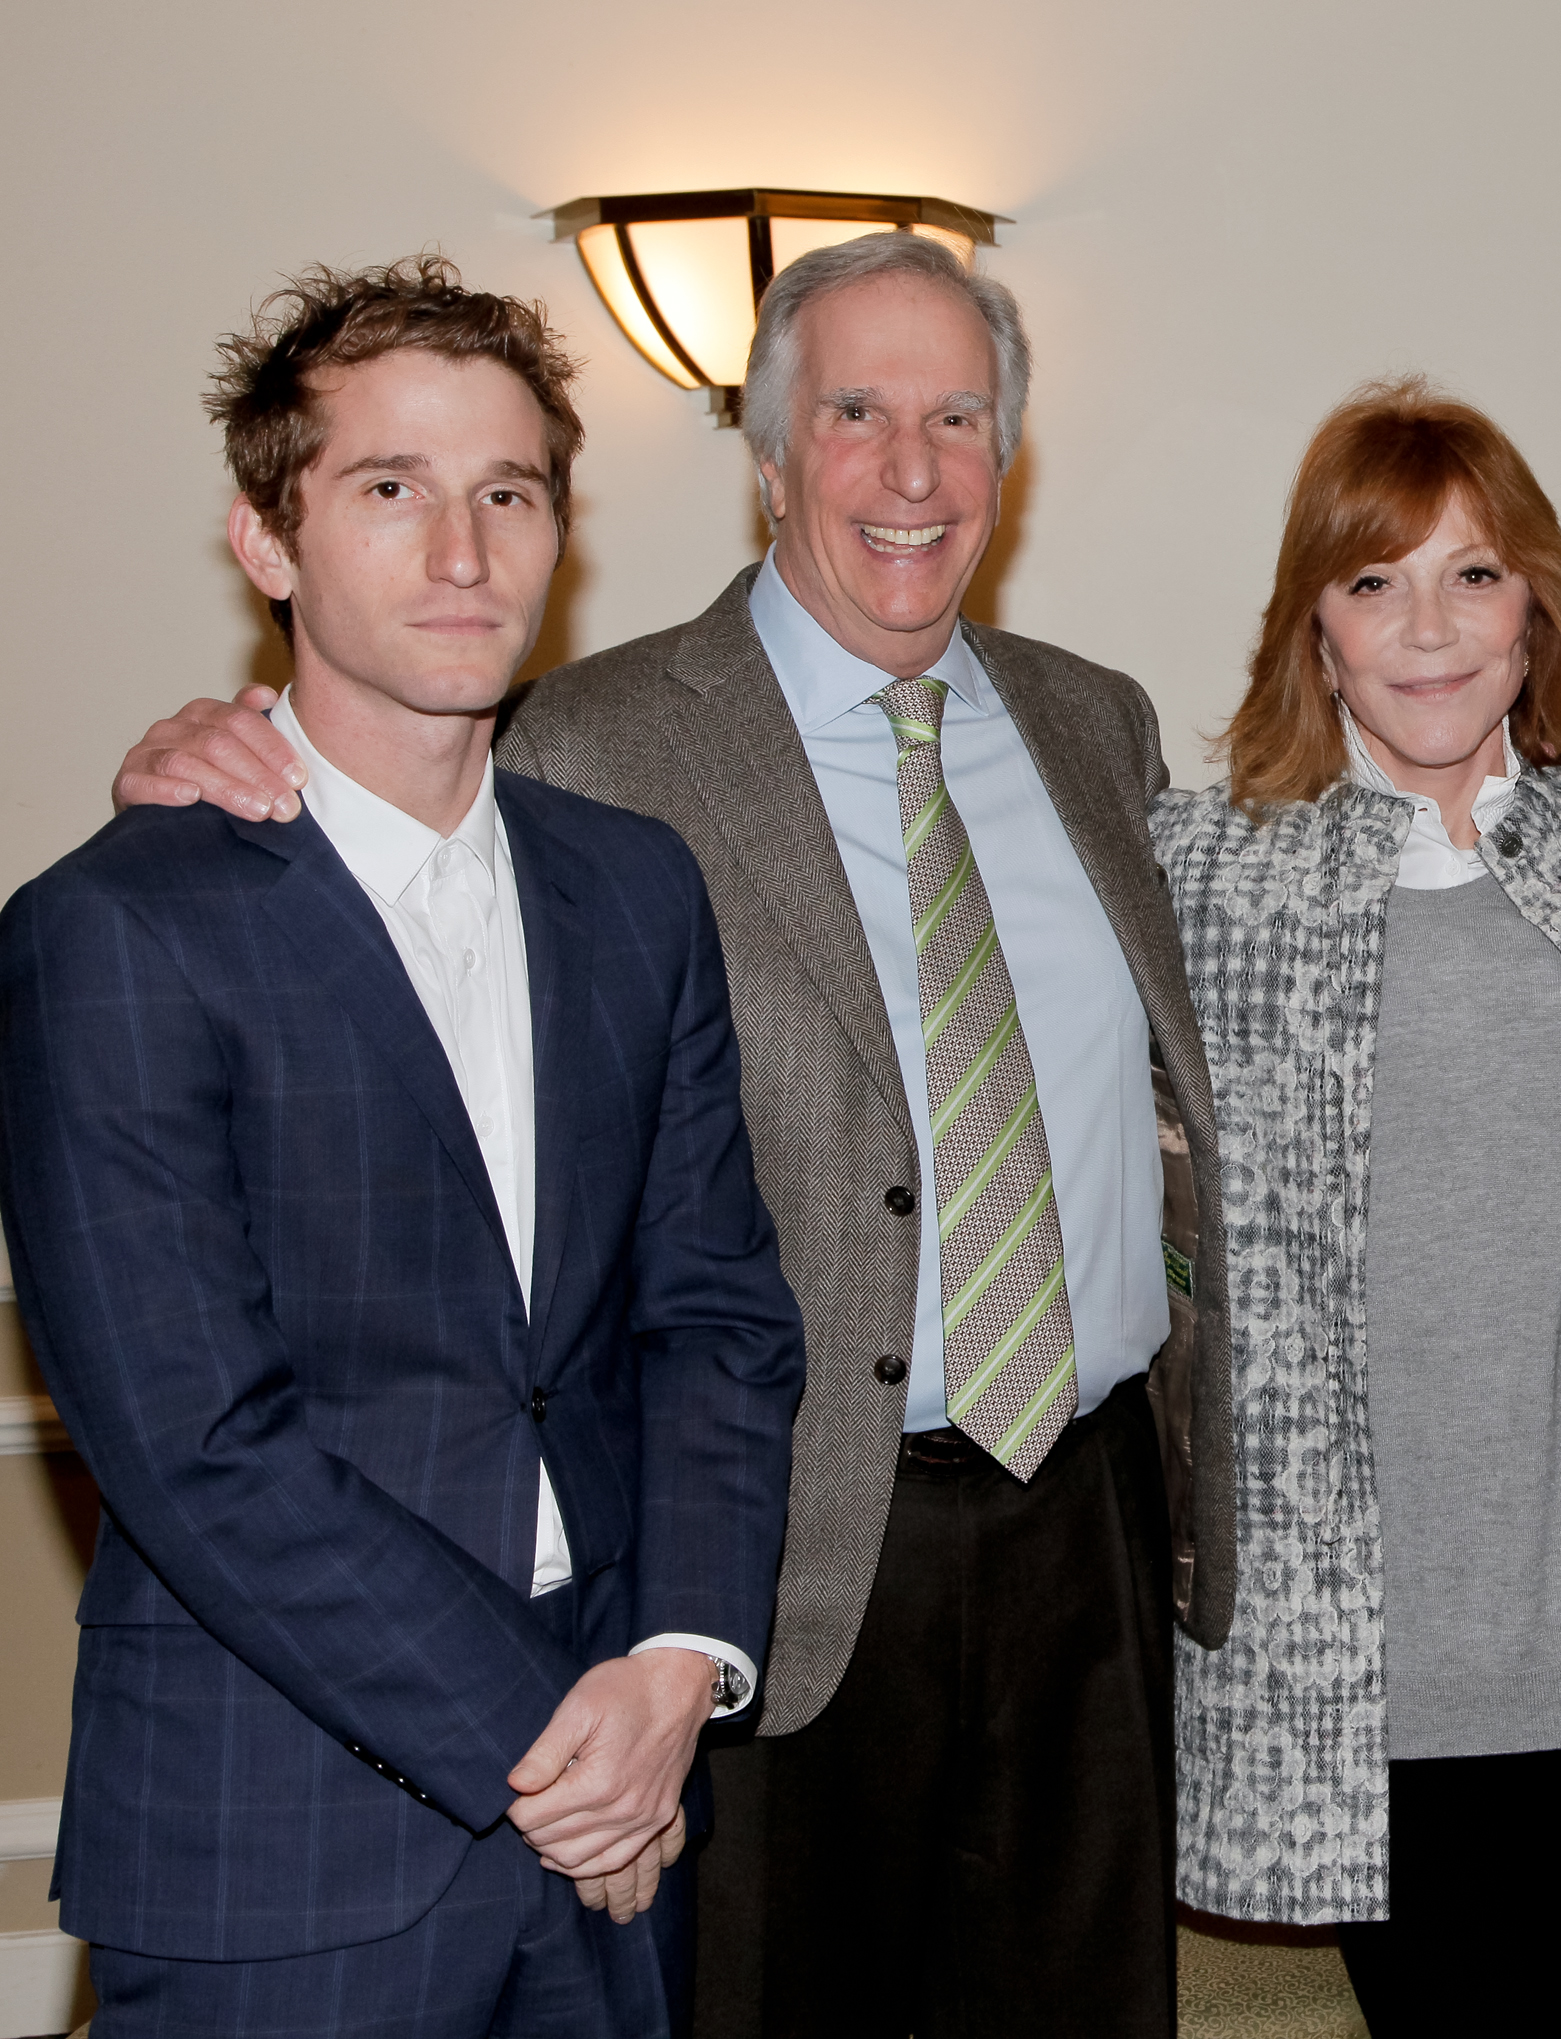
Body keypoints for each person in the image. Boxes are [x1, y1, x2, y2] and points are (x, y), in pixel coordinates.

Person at [108, 230, 1231, 2039]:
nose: (912, 469)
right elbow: (383, 846)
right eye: (855, 412)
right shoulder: (582, 741)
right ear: (770, 457)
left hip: (1087, 1513)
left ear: (1007, 464)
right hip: (776, 1555)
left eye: (958, 417)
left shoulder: (1096, 726)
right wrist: (210, 752)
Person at [0, 257, 806, 2037]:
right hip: (280, 1841)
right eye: (392, 490)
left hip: (626, 1817)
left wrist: (675, 1670)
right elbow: (196, 1441)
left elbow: (717, 1318)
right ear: (267, 545)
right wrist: (552, 1747)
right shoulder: (115, 931)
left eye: (508, 494)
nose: (465, 553)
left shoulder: (635, 889)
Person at [1158, 380, 1561, 2035]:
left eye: (1473, 575)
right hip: (1359, 1677)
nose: (1429, 630)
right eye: (1373, 582)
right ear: (1311, 631)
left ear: (1537, 605)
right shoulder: (1204, 872)